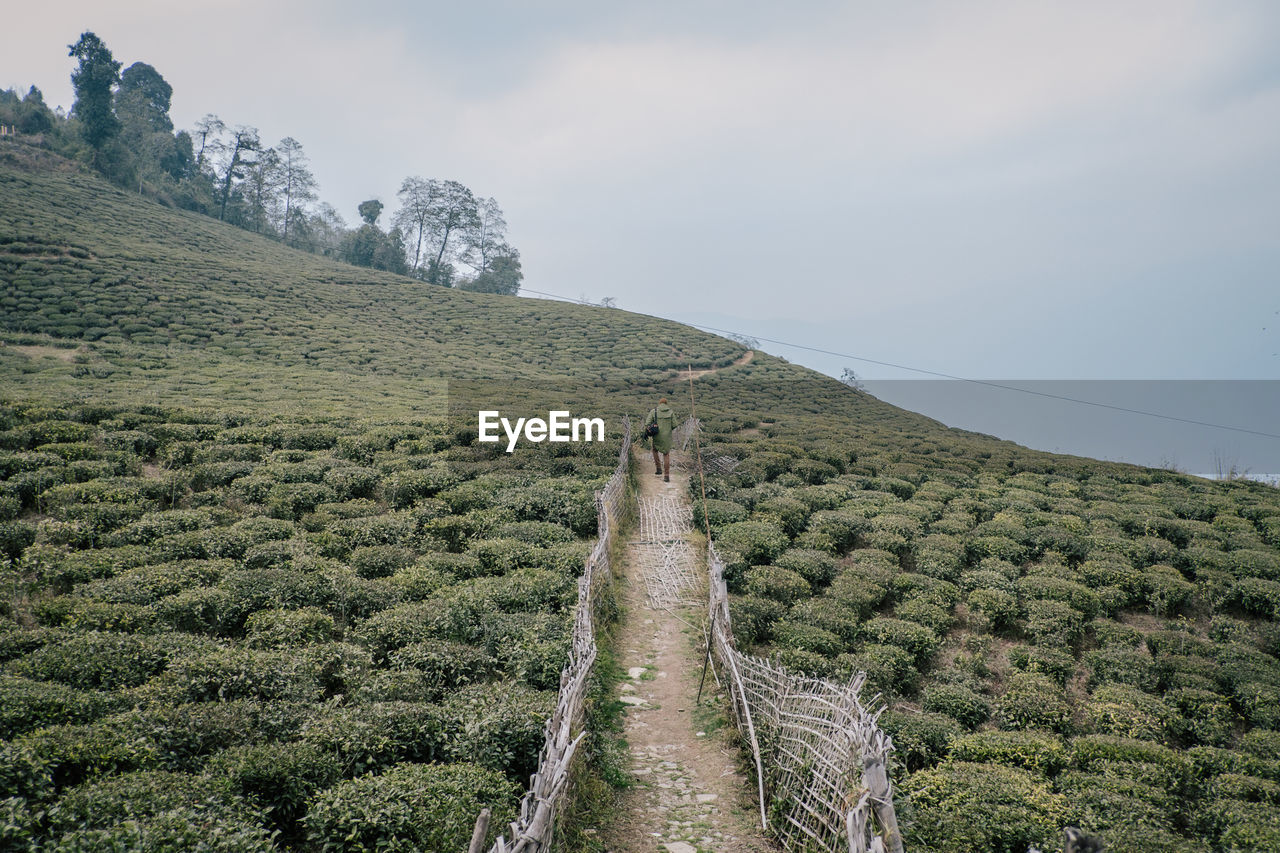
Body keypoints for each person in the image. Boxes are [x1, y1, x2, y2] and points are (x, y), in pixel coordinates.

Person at [645, 397, 676, 482]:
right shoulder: (670, 412)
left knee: (655, 450)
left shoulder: (654, 411)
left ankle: (658, 469)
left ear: (659, 403)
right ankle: (666, 476)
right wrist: (668, 430)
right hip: (667, 437)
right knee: (666, 454)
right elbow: (675, 424)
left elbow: (647, 423)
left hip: (657, 436)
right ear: (666, 403)